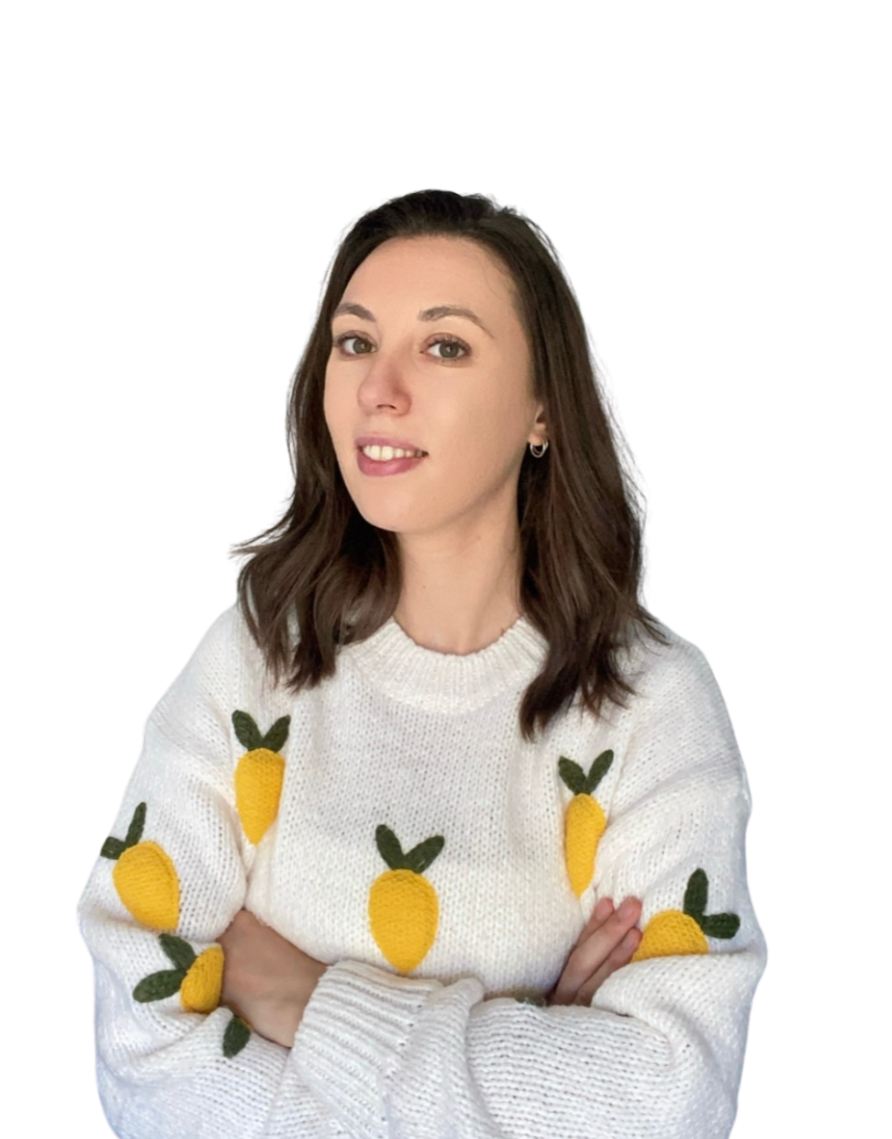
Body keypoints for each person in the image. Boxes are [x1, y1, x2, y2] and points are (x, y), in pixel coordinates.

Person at [78, 183, 765, 1138]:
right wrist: (529, 1045)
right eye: (355, 341)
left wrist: (306, 1002)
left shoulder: (650, 704)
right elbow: (141, 1062)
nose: (379, 388)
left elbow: (670, 1099)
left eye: (445, 346)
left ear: (542, 409)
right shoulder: (254, 660)